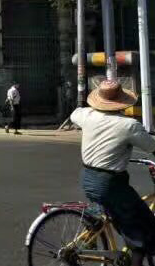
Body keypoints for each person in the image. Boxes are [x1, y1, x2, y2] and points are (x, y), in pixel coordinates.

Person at [71, 79, 155, 266]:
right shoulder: (129, 125)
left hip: (88, 179)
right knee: (142, 233)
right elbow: (151, 146)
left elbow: (75, 113)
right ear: (122, 101)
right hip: (111, 185)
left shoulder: (87, 115)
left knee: (118, 213)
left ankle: (94, 231)